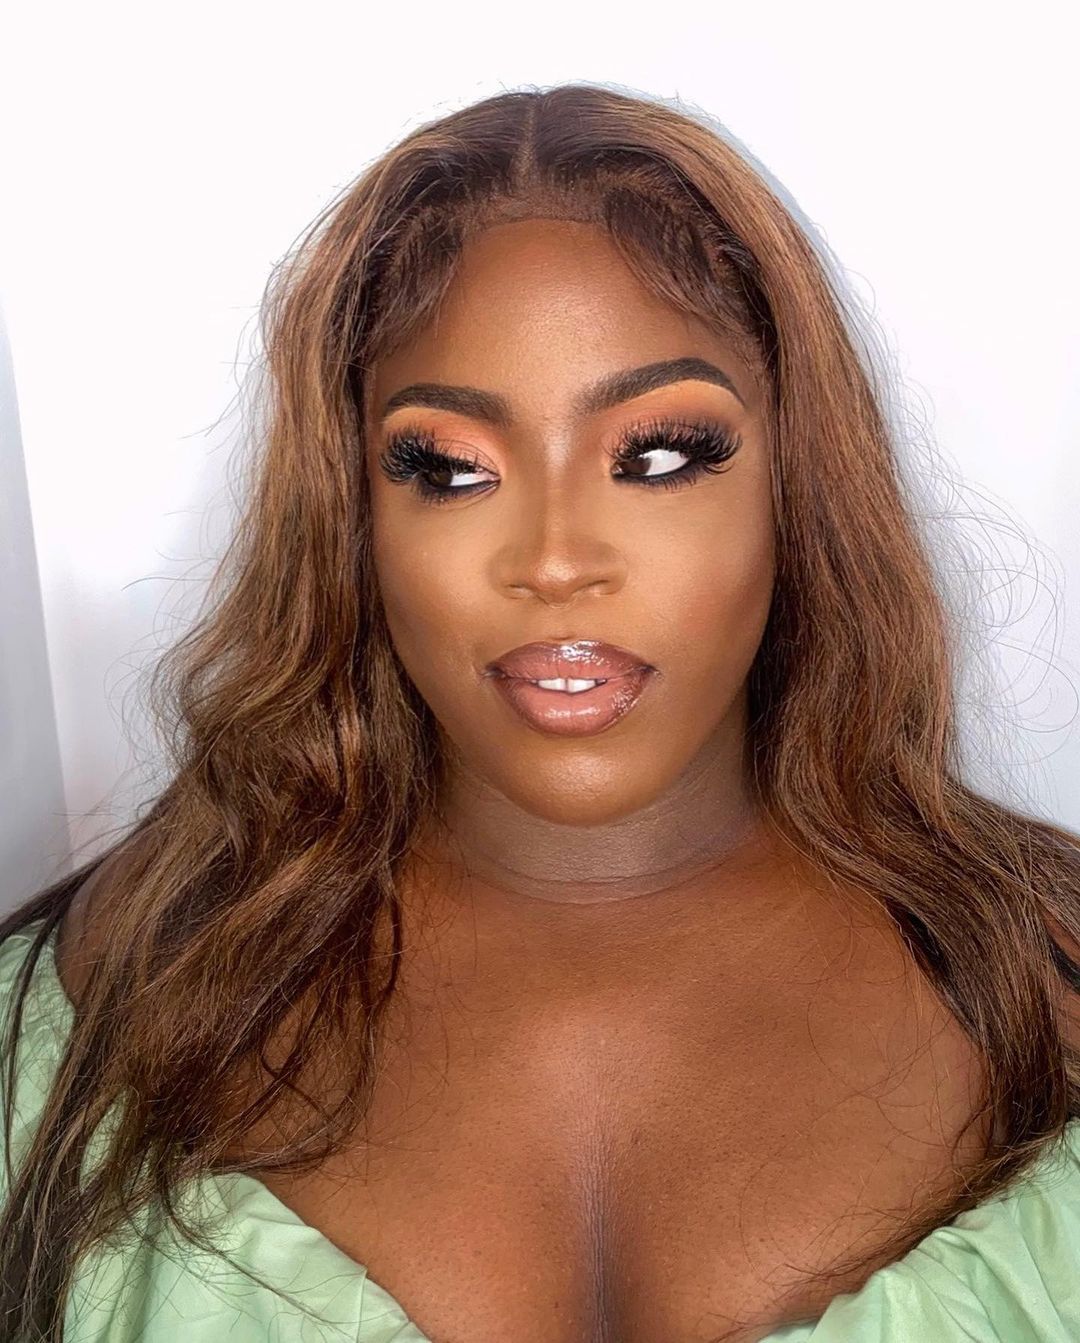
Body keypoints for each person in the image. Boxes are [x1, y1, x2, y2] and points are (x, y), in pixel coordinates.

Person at [2, 81, 1079, 1343]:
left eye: (659, 454)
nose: (557, 559)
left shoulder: (1049, 980)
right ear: (356, 517)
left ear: (798, 483)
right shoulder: (90, 1013)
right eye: (451, 469)